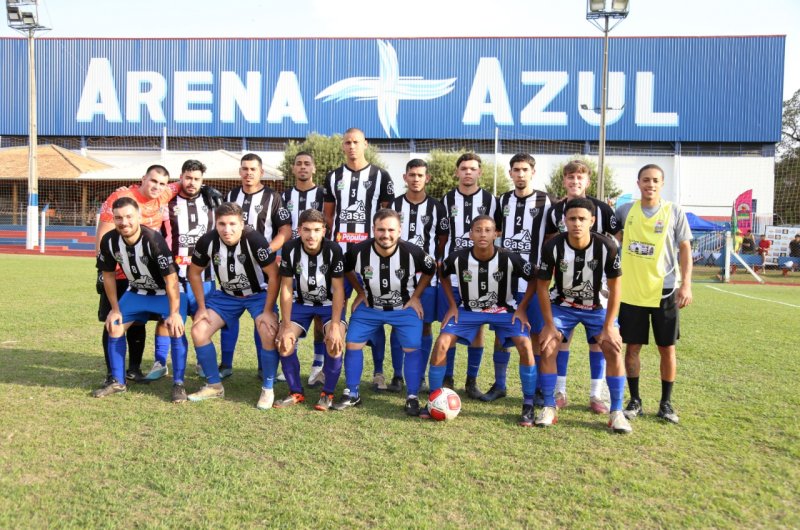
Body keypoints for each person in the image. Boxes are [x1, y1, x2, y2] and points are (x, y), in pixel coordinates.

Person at [425, 215, 537, 426]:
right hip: (468, 310)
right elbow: (442, 273)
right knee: (441, 343)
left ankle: (528, 404)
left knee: (525, 344)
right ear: (470, 234)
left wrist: (521, 309)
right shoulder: (458, 257)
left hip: (504, 311)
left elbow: (534, 277)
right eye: (478, 230)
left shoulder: (509, 258)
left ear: (496, 234)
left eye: (487, 230)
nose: (483, 234)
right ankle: (433, 397)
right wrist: (451, 304)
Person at [536, 198, 630, 432]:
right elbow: (541, 286)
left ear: (592, 221)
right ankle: (549, 405)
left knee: (612, 346)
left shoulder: (607, 246)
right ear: (564, 221)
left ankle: (616, 411)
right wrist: (549, 324)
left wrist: (609, 326)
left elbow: (616, 287)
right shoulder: (552, 246)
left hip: (597, 308)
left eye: (582, 219)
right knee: (547, 345)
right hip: (563, 306)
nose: (577, 223)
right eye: (572, 219)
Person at [332, 209, 435, 415]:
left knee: (413, 347)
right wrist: (360, 292)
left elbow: (431, 270)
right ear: (373, 229)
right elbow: (346, 269)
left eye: (390, 230)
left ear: (399, 231)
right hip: (371, 307)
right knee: (352, 343)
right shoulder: (357, 251)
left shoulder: (413, 252)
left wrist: (416, 297)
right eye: (380, 229)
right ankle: (352, 393)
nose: (385, 234)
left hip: (404, 308)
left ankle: (412, 396)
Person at [616, 164, 693, 424]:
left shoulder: (674, 211)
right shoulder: (626, 211)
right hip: (633, 290)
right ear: (638, 183)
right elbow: (612, 240)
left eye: (655, 180)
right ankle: (634, 399)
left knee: (667, 348)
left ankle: (666, 403)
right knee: (633, 347)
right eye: (646, 180)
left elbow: (685, 249)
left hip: (666, 290)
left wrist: (686, 285)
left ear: (662, 184)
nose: (650, 184)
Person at [542, 159, 621, 414]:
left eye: (580, 178)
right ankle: (558, 391)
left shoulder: (603, 213)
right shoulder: (554, 212)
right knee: (557, 341)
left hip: (596, 292)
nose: (575, 182)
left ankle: (598, 395)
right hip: (565, 294)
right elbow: (550, 243)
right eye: (571, 177)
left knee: (602, 342)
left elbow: (617, 239)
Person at [186, 202, 280, 409]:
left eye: (232, 224)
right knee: (199, 330)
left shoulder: (255, 240)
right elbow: (193, 272)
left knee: (267, 330)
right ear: (215, 224)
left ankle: (268, 388)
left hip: (258, 294)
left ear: (242, 223)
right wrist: (201, 307)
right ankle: (214, 385)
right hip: (227, 296)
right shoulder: (207, 241)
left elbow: (274, 275)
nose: (227, 230)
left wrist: (267, 311)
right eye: (221, 224)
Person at [93, 197, 188, 402]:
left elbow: (171, 280)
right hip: (137, 291)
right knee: (115, 325)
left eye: (128, 216)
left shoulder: (153, 240)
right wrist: (115, 308)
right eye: (118, 218)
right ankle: (117, 381)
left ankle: (178, 384)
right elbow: (108, 275)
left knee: (175, 328)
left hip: (167, 293)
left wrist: (173, 313)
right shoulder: (109, 240)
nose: (124, 222)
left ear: (138, 216)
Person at [323, 128, 395, 390]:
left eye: (356, 142)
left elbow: (386, 216)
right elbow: (328, 218)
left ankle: (378, 372)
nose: (352, 146)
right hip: (339, 253)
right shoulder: (333, 177)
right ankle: (326, 366)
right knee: (335, 307)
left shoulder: (381, 176)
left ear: (365, 144)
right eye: (347, 143)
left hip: (369, 254)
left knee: (372, 307)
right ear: (342, 146)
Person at [483, 153, 553, 404]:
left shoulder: (546, 201)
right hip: (505, 281)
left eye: (524, 169)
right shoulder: (502, 200)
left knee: (534, 334)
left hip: (534, 282)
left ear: (533, 172)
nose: (520, 174)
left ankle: (534, 387)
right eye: (516, 170)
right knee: (501, 335)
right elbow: (496, 232)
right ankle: (500, 384)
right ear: (510, 173)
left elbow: (553, 237)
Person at [221, 153, 291, 378]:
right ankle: (226, 365)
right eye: (244, 168)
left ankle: (264, 367)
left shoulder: (274, 197)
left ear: (261, 172)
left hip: (263, 269)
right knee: (228, 318)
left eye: (253, 169)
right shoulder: (231, 195)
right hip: (233, 266)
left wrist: (267, 251)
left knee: (262, 317)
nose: (248, 173)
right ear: (240, 172)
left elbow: (285, 230)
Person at [440, 153, 501, 398]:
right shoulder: (446, 200)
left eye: (473, 169)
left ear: (479, 173)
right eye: (464, 168)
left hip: (482, 274)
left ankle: (471, 380)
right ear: (457, 172)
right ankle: (447, 376)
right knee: (450, 323)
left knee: (478, 328)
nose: (468, 172)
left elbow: (498, 235)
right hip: (454, 274)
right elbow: (442, 236)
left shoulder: (491, 200)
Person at [274, 209, 347, 410]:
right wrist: (286, 324)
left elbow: (339, 289)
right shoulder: (290, 248)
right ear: (299, 230)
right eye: (306, 230)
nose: (311, 235)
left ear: (324, 230)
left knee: (334, 340)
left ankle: (327, 394)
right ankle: (296, 392)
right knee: (285, 341)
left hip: (328, 305)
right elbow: (287, 288)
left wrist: (334, 324)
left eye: (316, 230)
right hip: (300, 304)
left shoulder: (334, 250)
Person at [388, 159, 449, 393]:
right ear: (405, 177)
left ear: (427, 178)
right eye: (411, 175)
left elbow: (442, 240)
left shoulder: (437, 207)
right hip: (397, 277)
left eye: (420, 175)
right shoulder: (393, 205)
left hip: (427, 279)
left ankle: (421, 375)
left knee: (424, 326)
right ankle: (396, 375)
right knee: (397, 324)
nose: (415, 179)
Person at [159, 159, 222, 381]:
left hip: (204, 275)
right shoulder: (168, 200)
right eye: (188, 177)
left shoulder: (212, 201)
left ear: (202, 180)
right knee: (169, 319)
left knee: (201, 320)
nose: (191, 182)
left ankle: (201, 363)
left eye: (197, 179)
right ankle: (160, 362)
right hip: (173, 273)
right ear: (181, 177)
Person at [282, 151, 328, 387]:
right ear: (293, 169)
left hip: (319, 260)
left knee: (321, 316)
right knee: (291, 309)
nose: (302, 167)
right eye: (298, 163)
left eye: (307, 163)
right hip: (292, 258)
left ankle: (317, 365)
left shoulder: (322, 194)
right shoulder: (284, 195)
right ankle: (291, 359)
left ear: (314, 168)